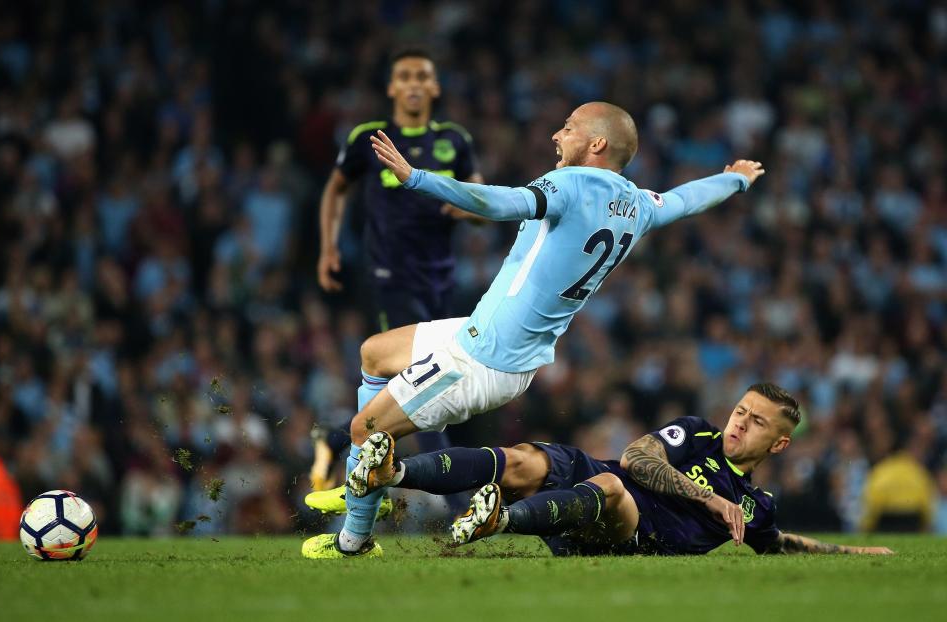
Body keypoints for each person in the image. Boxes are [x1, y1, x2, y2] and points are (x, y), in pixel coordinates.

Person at [302, 100, 766, 558]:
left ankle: (354, 538)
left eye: (568, 127)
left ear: (597, 142)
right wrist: (736, 180)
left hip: (483, 358)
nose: (556, 136)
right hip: (489, 335)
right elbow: (687, 200)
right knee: (376, 353)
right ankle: (358, 482)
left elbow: (501, 202)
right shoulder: (639, 205)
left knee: (364, 430)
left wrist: (416, 178)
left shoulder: (572, 183)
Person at [311, 384, 894, 556]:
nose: (740, 423)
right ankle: (389, 476)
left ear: (781, 444)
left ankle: (500, 522)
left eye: (758, 423)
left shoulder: (757, 506)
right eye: (741, 410)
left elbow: (780, 544)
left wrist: (854, 554)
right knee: (523, 460)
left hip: (630, 531)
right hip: (594, 473)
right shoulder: (695, 432)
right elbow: (640, 455)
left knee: (612, 490)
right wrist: (709, 498)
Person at [310, 48, 483, 491]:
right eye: (403, 76)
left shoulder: (455, 140)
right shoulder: (369, 137)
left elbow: (483, 202)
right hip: (390, 276)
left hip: (443, 278)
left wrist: (468, 209)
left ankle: (334, 439)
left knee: (439, 384)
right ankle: (456, 505)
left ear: (434, 87)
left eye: (422, 76)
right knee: (429, 380)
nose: (412, 83)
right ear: (391, 87)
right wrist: (328, 246)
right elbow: (335, 190)